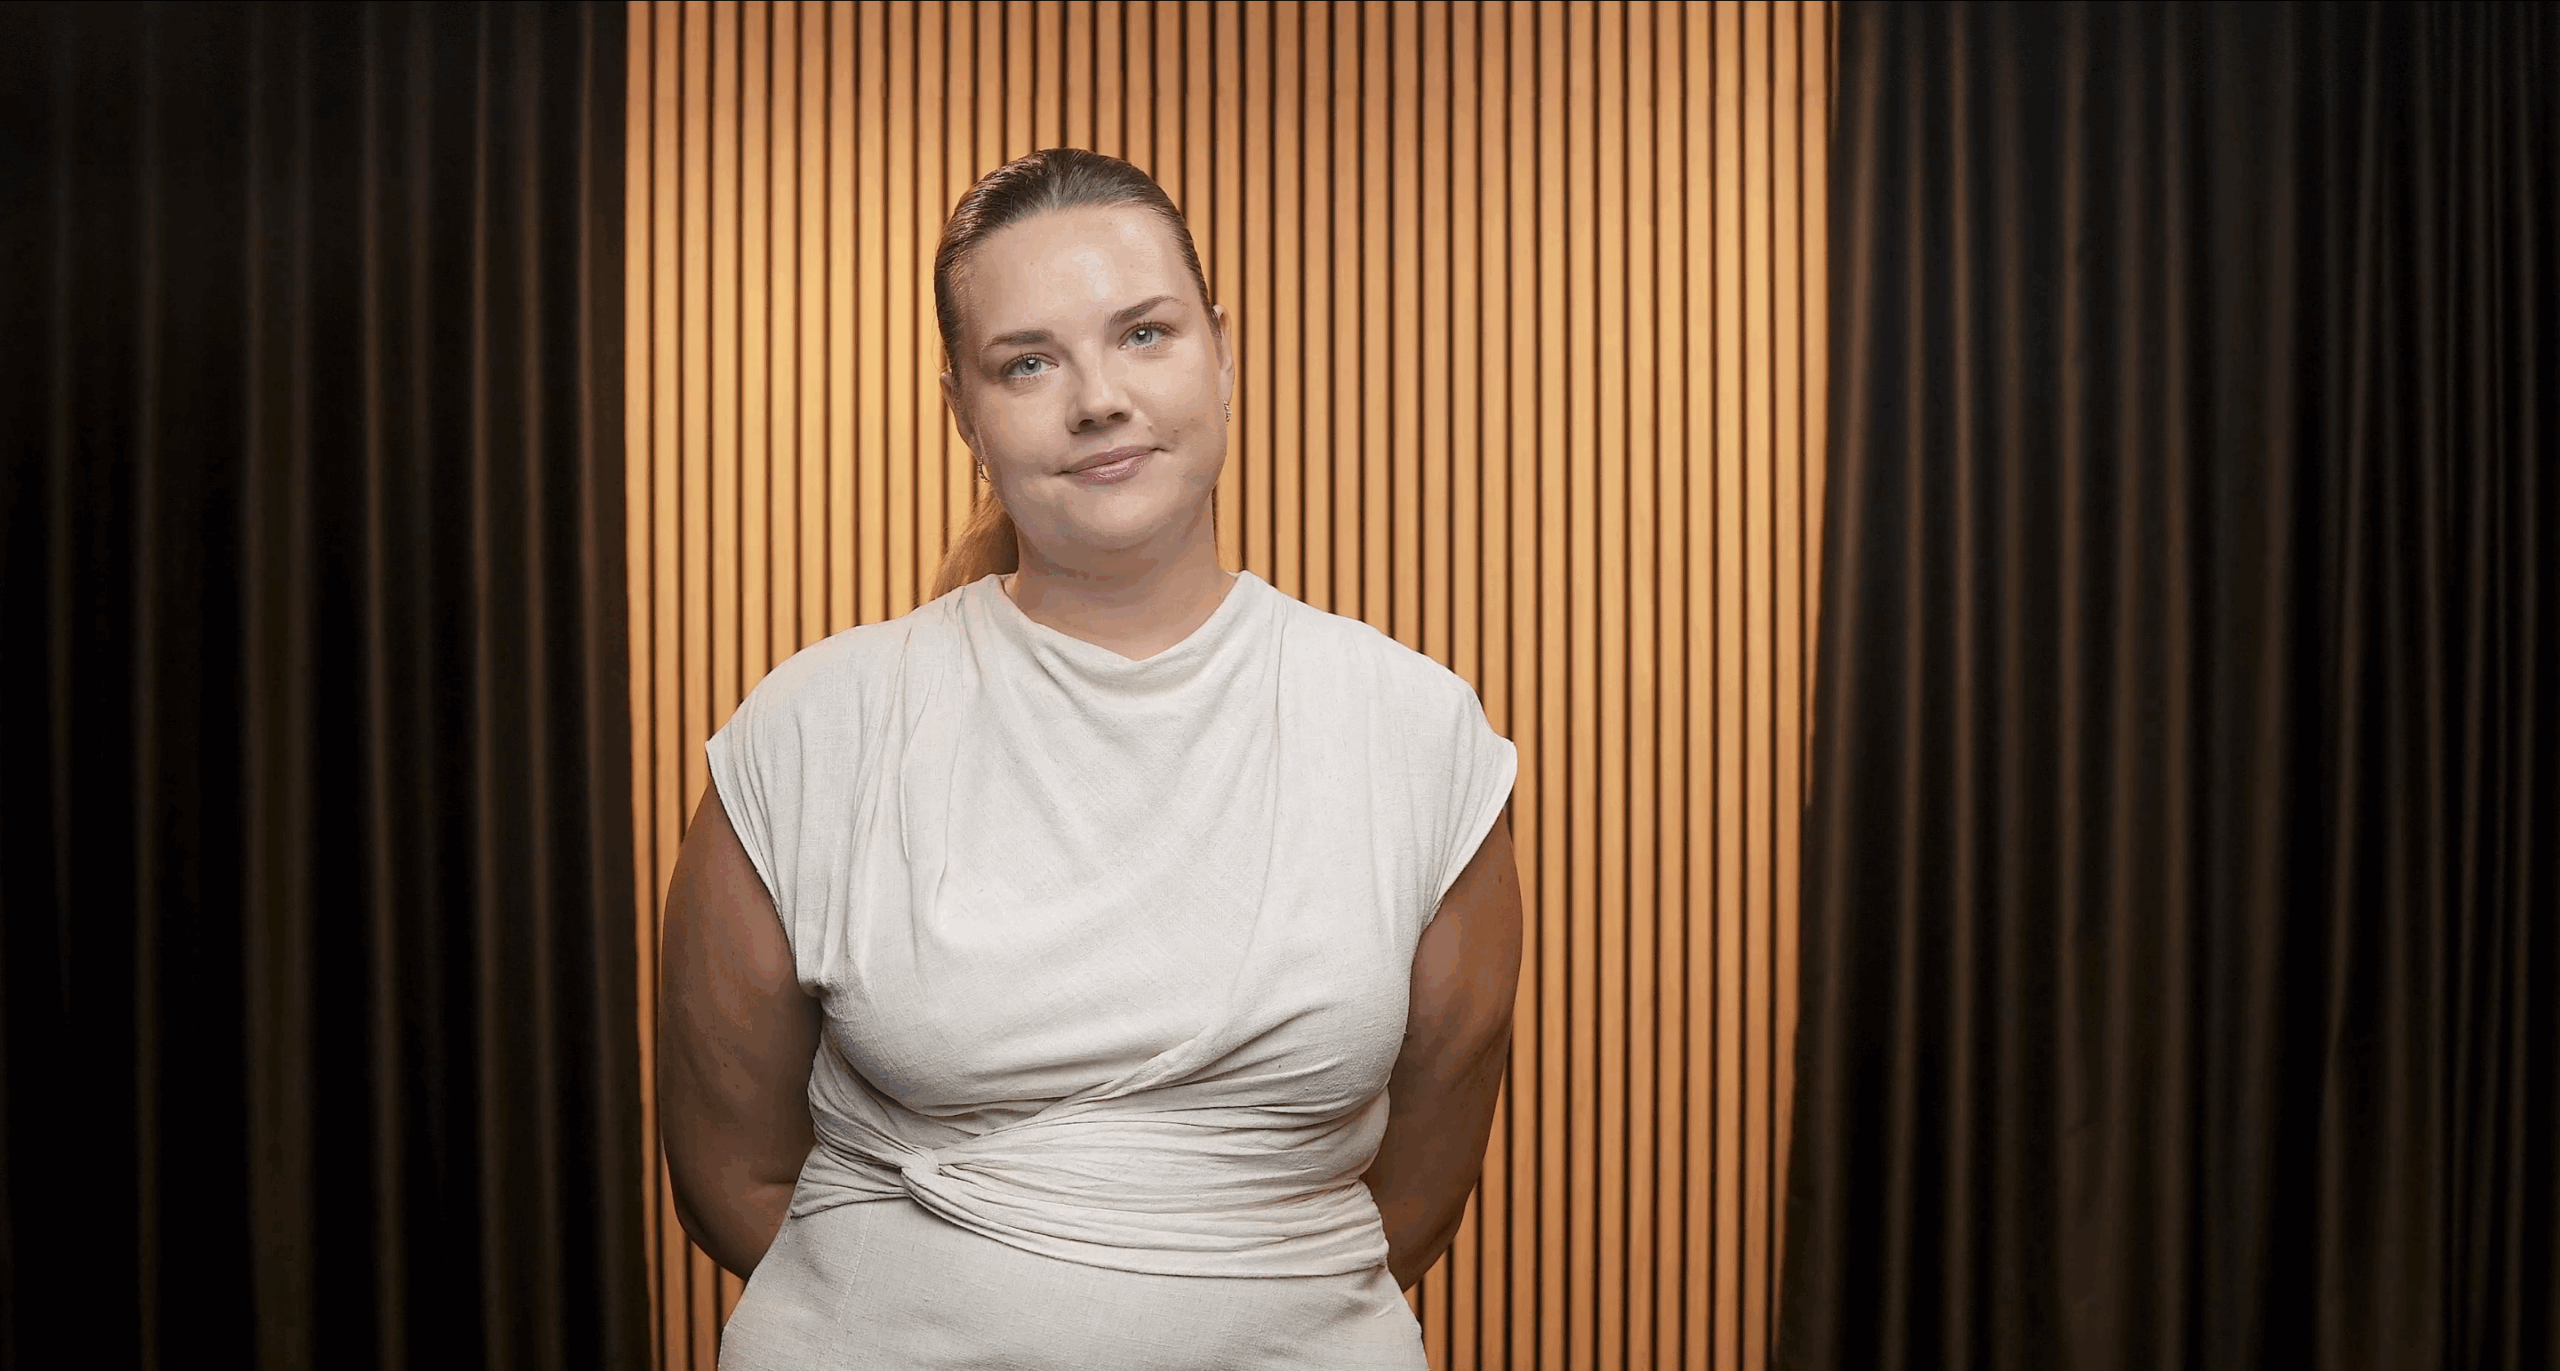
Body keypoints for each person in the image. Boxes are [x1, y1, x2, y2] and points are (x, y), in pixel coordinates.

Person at [657, 147, 1523, 1370]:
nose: (1097, 398)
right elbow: (730, 1174)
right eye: (1027, 361)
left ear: (1221, 348)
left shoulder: (1419, 733)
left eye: (1145, 335)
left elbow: (1425, 1186)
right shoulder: (812, 727)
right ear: (962, 407)